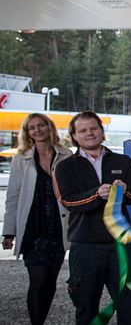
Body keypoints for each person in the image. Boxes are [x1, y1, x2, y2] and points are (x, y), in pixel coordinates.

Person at [52, 111, 131, 325]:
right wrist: (96, 194)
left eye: (93, 128)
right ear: (74, 136)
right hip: (85, 247)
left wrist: (125, 189)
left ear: (102, 132)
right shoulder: (65, 166)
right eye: (82, 130)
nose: (89, 133)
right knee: (86, 306)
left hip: (121, 245)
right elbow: (68, 201)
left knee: (130, 305)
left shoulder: (122, 160)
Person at [2, 113, 73, 325]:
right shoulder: (21, 158)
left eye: (41, 125)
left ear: (49, 127)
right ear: (27, 133)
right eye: (32, 128)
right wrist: (9, 232)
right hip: (33, 230)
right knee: (38, 280)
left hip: (58, 229)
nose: (37, 130)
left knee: (51, 280)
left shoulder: (66, 155)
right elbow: (12, 197)